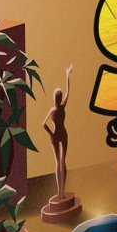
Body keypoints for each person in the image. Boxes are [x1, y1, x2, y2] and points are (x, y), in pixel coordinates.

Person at [42, 63, 73, 200]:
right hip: (62, 134)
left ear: (54, 98)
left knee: (58, 162)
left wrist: (51, 133)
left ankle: (61, 192)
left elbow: (43, 124)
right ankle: (61, 192)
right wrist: (67, 76)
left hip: (56, 136)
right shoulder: (62, 107)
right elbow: (68, 91)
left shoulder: (53, 110)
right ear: (59, 99)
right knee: (62, 161)